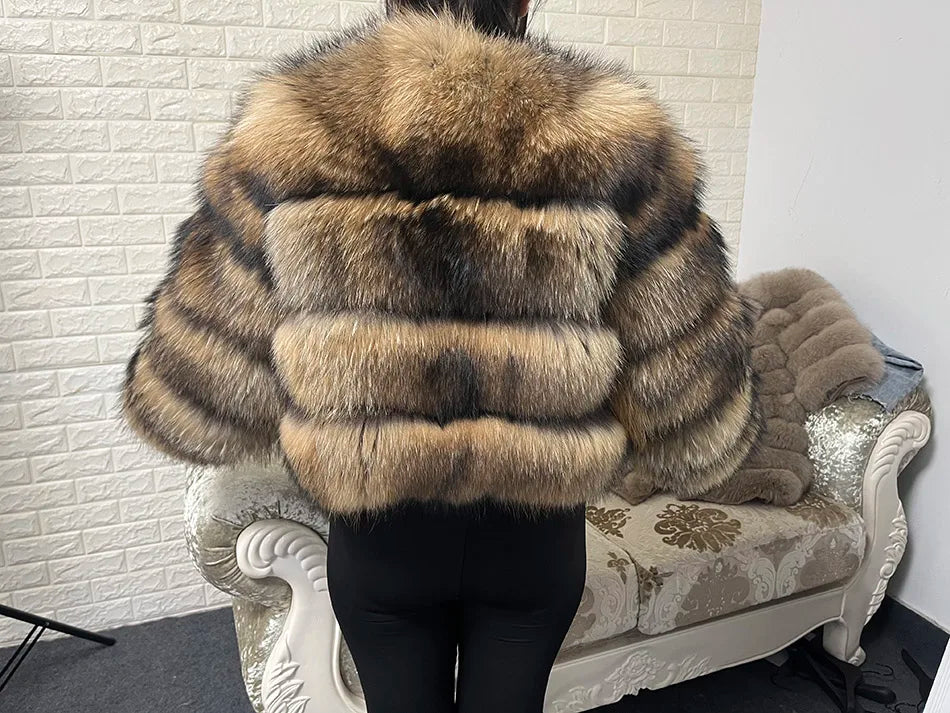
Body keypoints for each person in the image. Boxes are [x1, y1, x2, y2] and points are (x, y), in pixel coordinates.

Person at [122, 0, 762, 710]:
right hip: (532, 542)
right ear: (525, 2)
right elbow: (690, 399)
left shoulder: (292, 130)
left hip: (382, 539)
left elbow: (198, 396)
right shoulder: (615, 139)